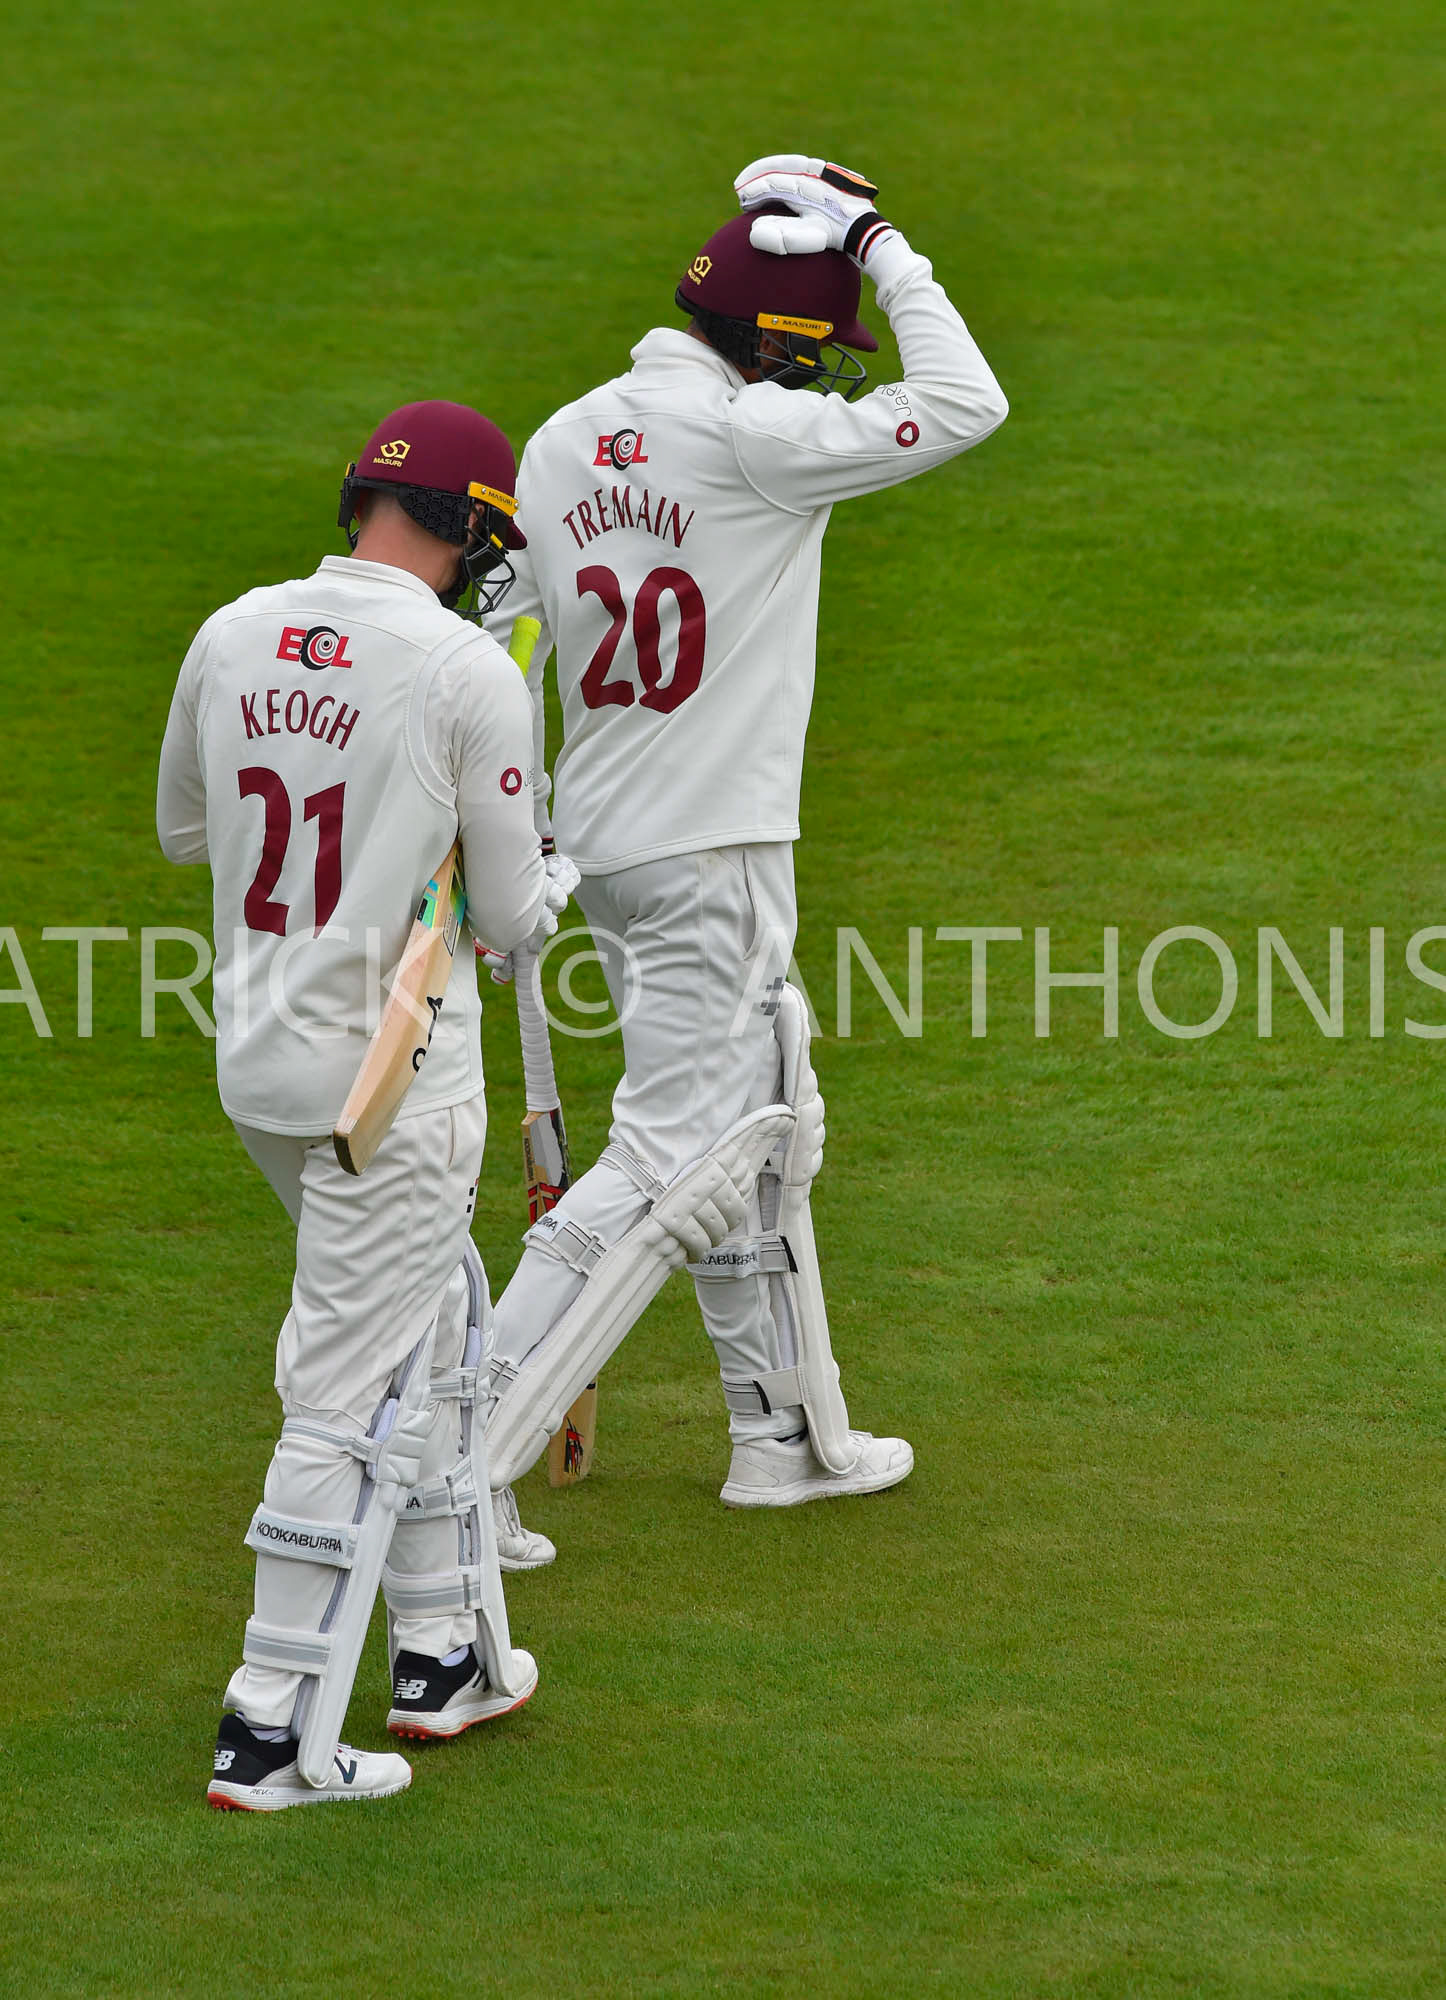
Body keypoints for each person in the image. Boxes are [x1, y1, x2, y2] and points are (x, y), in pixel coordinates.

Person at [479, 155, 1009, 1565]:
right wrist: (888, 254)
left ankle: (786, 1435)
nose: (832, 382)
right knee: (679, 1158)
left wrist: (508, 823)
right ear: (770, 341)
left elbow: (502, 642)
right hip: (714, 848)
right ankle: (451, 1449)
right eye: (817, 352)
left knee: (769, 1128)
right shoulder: (757, 435)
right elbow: (965, 402)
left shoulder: (560, 438)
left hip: (608, 841)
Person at [157, 400, 568, 1808]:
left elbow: (190, 830)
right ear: (461, 527)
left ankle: (442, 1649)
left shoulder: (231, 630)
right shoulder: (467, 672)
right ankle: (271, 1726)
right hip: (395, 1087)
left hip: (260, 1068)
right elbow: (510, 921)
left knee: (435, 1322)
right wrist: (536, 870)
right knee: (346, 1385)